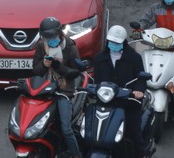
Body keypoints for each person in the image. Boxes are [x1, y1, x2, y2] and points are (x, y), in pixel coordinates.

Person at [32, 17, 82, 158]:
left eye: (52, 37)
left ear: (59, 34)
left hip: (63, 90)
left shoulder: (71, 48)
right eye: (47, 37)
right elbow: (35, 71)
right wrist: (43, 65)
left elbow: (75, 73)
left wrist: (57, 66)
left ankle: (76, 153)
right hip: (45, 88)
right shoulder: (42, 46)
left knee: (66, 128)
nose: (50, 40)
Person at [94, 25, 146, 158]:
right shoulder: (100, 59)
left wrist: (138, 91)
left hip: (128, 103)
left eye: (117, 43)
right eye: (111, 42)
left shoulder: (134, 58)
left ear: (123, 42)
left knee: (134, 136)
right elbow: (96, 80)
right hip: (106, 103)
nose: (114, 45)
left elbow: (141, 79)